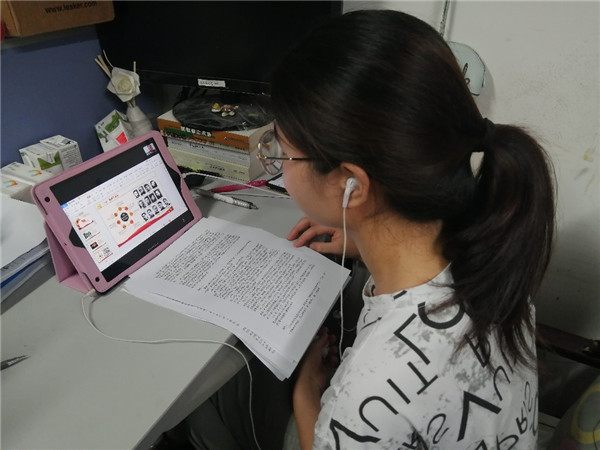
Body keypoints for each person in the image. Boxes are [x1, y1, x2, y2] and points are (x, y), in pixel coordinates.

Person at [181, 9, 555, 450]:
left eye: (281, 150)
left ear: (351, 186)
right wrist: (362, 241)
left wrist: (306, 395)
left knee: (207, 421)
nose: (276, 160)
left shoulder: (364, 396)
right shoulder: (491, 253)